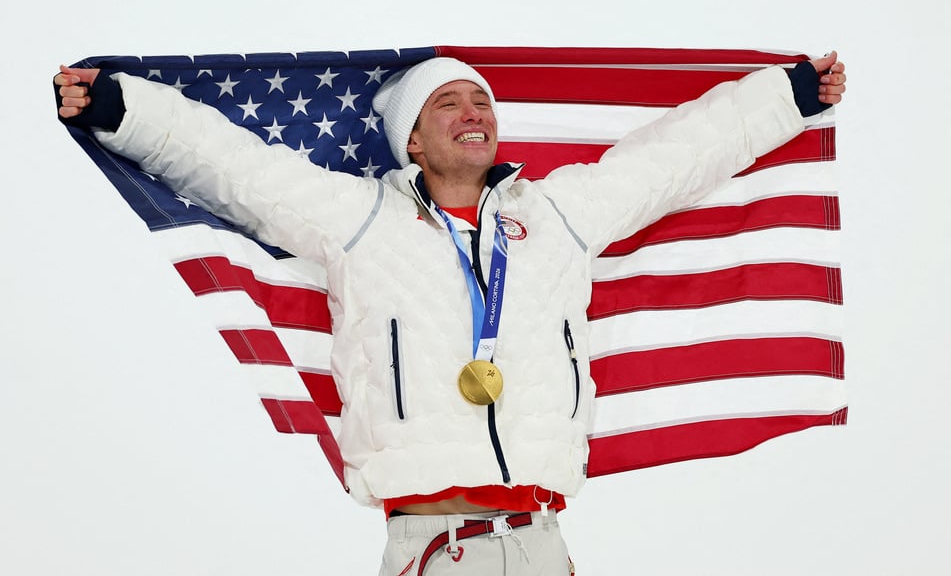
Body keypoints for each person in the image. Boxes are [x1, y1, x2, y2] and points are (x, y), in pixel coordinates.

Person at [54, 52, 847, 575]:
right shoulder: (357, 219)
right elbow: (233, 166)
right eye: (447, 104)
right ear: (413, 143)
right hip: (432, 547)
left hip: (544, 543)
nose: (473, 111)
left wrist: (788, 93)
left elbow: (675, 156)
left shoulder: (556, 215)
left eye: (480, 100)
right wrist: (117, 107)